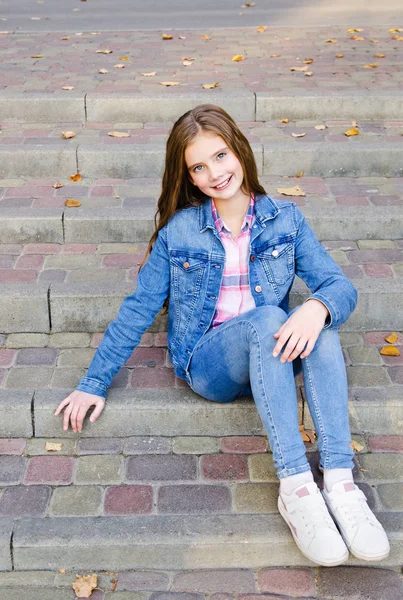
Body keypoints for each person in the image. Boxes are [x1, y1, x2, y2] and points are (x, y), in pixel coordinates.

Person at [54, 103, 390, 567]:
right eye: (198, 166)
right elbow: (138, 310)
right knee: (271, 316)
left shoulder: (285, 219)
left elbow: (340, 286)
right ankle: (296, 489)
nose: (214, 172)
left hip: (270, 356)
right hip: (211, 365)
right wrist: (92, 383)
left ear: (240, 153)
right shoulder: (181, 233)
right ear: (189, 177)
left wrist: (316, 307)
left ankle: (340, 483)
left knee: (323, 327)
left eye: (220, 156)